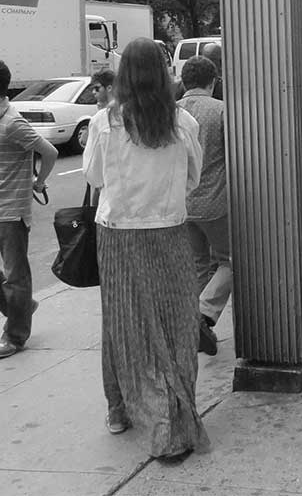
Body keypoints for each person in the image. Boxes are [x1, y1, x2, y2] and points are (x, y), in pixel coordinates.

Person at [82, 38, 208, 463]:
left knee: (123, 325)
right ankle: (177, 410)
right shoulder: (184, 123)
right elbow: (193, 179)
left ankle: (121, 411)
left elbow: (94, 176)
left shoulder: (105, 122)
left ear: (122, 77)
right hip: (170, 231)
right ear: (162, 73)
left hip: (118, 235)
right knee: (176, 324)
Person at [0, 60, 58, 359]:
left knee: (15, 275)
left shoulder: (12, 123)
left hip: (10, 211)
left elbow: (49, 151)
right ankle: (20, 307)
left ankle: (16, 335)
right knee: (12, 279)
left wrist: (39, 182)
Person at [177, 55, 231, 356]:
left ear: (184, 81)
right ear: (214, 81)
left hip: (182, 204)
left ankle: (196, 327)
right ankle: (204, 313)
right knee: (231, 260)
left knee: (199, 264)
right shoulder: (221, 111)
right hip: (215, 203)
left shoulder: (171, 112)